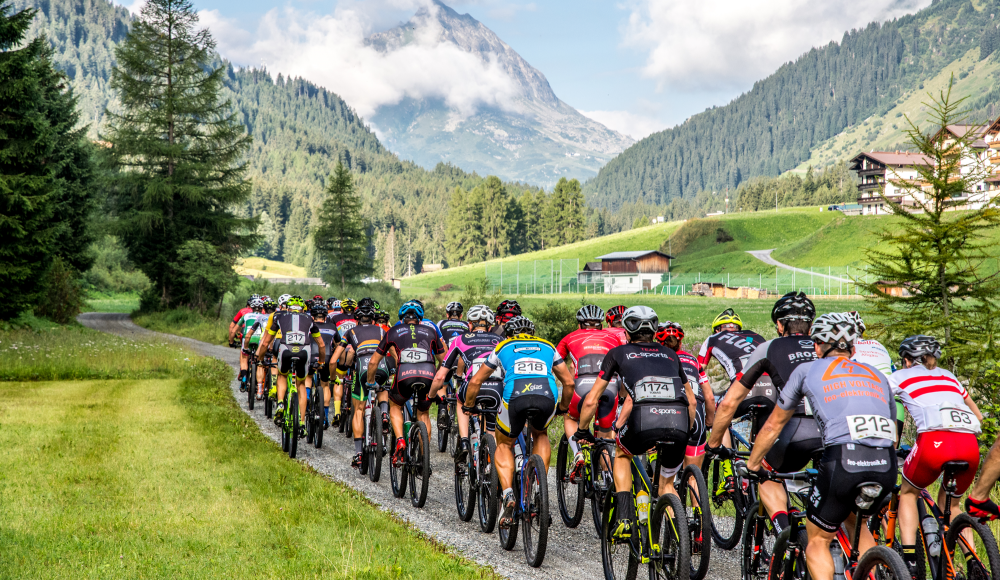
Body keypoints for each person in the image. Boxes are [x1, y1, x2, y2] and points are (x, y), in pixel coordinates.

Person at [746, 313, 897, 580]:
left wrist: (753, 464)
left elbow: (772, 426)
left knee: (817, 540)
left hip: (843, 461)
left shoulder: (807, 370)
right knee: (855, 521)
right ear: (852, 348)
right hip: (885, 463)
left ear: (817, 346)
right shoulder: (877, 376)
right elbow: (892, 430)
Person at [576, 306, 696, 540]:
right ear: (653, 329)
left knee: (622, 454)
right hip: (679, 422)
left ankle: (624, 518)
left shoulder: (618, 353)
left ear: (627, 330)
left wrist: (582, 430)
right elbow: (691, 401)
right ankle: (677, 541)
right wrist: (687, 432)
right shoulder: (671, 355)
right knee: (666, 485)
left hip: (643, 419)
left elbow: (591, 400)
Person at [708, 292, 820, 534]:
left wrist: (714, 442)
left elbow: (728, 403)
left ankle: (786, 538)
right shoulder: (824, 347)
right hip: (835, 431)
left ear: (779, 325)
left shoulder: (768, 347)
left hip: (794, 429)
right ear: (811, 324)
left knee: (765, 473)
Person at [464, 315, 576, 528]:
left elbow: (477, 380)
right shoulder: (548, 346)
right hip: (547, 395)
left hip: (515, 396)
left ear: (508, 334)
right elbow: (569, 383)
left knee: (504, 443)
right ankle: (537, 485)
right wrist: (562, 407)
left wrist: (469, 406)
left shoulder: (503, 346)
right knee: (540, 433)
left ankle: (508, 495)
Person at [889, 335, 983, 576]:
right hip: (969, 444)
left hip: (934, 442)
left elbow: (876, 399)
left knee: (908, 492)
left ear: (908, 360)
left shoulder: (900, 376)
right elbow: (979, 418)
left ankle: (909, 562)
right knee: (952, 502)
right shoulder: (949, 376)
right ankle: (974, 563)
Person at [366, 301, 445, 465]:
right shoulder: (431, 331)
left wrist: (371, 382)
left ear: (402, 319)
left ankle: (400, 440)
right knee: (423, 413)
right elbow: (444, 360)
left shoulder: (393, 331)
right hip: (428, 375)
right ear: (420, 319)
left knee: (395, 405)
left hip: (404, 375)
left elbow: (373, 362)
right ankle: (424, 460)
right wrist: (437, 376)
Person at [699, 307, 766, 487]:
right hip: (771, 391)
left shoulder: (712, 339)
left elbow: (698, 370)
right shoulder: (757, 336)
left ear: (717, 329)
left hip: (744, 389)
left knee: (723, 415)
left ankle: (729, 474)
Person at [428, 305, 501, 461]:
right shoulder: (500, 340)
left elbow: (440, 375)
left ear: (469, 324)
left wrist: (431, 395)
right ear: (490, 326)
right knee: (491, 431)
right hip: (497, 389)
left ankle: (465, 443)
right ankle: (490, 464)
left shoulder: (461, 339)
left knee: (461, 402)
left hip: (472, 387)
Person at [556, 304, 621, 477]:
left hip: (581, 386)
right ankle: (607, 479)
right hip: (610, 386)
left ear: (579, 325)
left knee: (570, 418)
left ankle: (578, 453)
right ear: (601, 324)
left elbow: (555, 364)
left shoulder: (569, 337)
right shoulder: (612, 337)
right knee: (606, 435)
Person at [255, 296, 327, 438]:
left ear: (288, 308)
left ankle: (281, 404)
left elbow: (265, 343)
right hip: (303, 352)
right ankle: (301, 422)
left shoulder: (279, 317)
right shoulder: (309, 320)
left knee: (282, 375)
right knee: (300, 384)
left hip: (285, 350)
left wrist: (261, 359)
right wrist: (321, 362)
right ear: (303, 309)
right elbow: (322, 345)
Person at [331, 301, 389, 468]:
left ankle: (358, 454)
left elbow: (335, 359)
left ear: (356, 318)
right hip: (382, 366)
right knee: (382, 386)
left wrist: (335, 377)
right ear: (373, 319)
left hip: (362, 369)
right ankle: (384, 414)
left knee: (358, 410)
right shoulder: (382, 330)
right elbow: (394, 354)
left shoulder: (350, 332)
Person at [656, 321, 716, 482]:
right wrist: (709, 422)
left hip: (668, 414)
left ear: (658, 342)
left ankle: (668, 503)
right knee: (693, 478)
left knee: (665, 482)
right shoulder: (694, 361)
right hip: (695, 415)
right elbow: (710, 397)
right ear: (681, 342)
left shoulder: (657, 359)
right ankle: (697, 507)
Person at [310, 302, 340, 430]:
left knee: (306, 379)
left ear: (313, 317)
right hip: (327, 357)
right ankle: (325, 417)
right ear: (325, 317)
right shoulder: (332, 326)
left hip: (311, 356)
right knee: (325, 384)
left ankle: (306, 405)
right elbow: (338, 344)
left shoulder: (309, 325)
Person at [232, 297, 268, 392]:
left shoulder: (246, 316)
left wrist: (231, 341)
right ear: (261, 308)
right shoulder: (263, 316)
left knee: (244, 358)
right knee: (259, 361)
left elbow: (234, 330)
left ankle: (244, 377)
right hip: (259, 339)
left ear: (251, 307)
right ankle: (258, 383)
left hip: (247, 337)